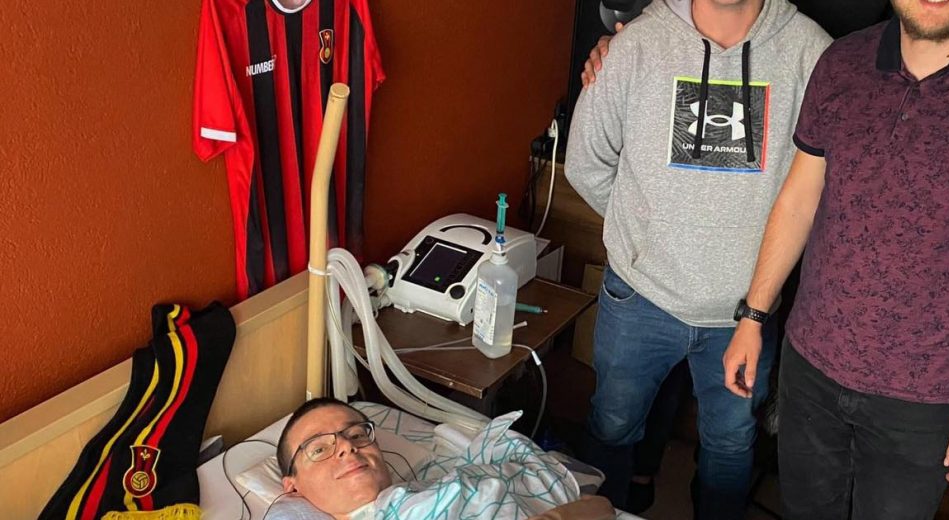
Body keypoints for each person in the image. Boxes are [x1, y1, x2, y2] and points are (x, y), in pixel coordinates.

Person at [721, 0, 949, 517]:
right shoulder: (841, 61)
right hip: (811, 366)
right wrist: (753, 315)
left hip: (927, 397)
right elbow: (799, 199)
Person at [563, 0, 832, 517]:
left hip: (747, 313)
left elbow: (824, 186)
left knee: (731, 444)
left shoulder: (812, 53)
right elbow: (585, 161)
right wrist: (645, 231)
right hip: (639, 295)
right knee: (612, 425)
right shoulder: (636, 45)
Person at [275, 398, 614, 519]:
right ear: (292, 486)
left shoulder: (439, 484)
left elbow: (602, 508)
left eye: (356, 434)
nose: (347, 447)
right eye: (320, 449)